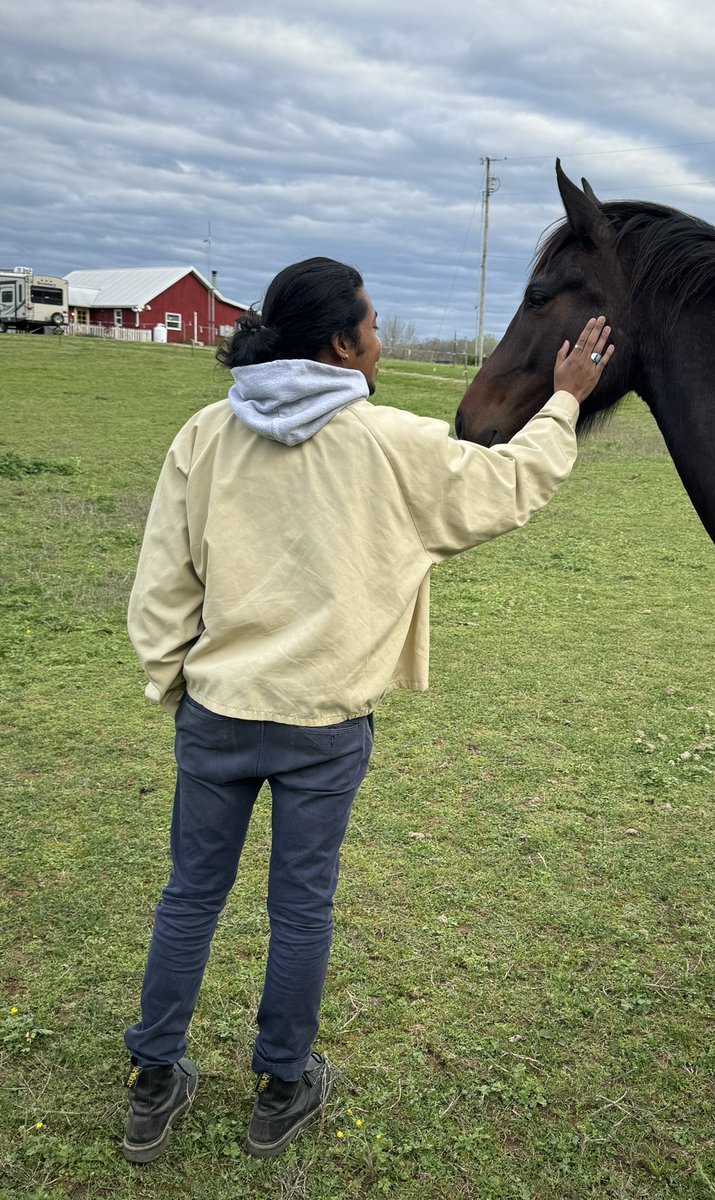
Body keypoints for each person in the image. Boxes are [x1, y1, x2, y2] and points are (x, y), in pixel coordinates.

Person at [122, 256, 614, 1163]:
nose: (381, 342)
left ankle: (153, 1079)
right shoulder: (391, 441)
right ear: (343, 344)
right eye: (375, 326)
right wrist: (566, 400)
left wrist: (173, 683)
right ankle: (281, 1085)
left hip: (218, 713)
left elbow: (164, 579)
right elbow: (507, 488)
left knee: (190, 897)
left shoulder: (204, 434)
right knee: (300, 909)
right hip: (326, 725)